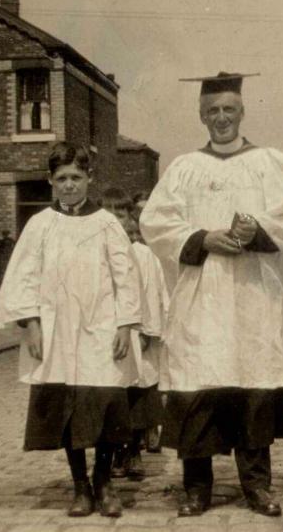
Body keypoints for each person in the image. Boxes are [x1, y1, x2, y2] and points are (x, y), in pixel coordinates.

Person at [140, 71, 283, 518]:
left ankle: (256, 485)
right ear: (202, 115)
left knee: (253, 384)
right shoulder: (185, 169)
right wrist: (201, 238)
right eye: (213, 110)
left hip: (254, 296)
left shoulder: (271, 165)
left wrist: (258, 230)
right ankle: (196, 487)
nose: (221, 118)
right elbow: (155, 223)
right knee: (199, 383)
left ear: (243, 112)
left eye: (229, 110)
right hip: (203, 295)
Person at [0, 142, 141, 518]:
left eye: (76, 177)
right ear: (50, 181)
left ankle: (104, 481)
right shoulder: (40, 225)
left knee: (104, 402)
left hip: (101, 327)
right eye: (62, 179)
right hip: (57, 330)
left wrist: (125, 324)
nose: (69, 185)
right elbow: (24, 277)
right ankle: (80, 486)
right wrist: (33, 324)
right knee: (68, 408)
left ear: (89, 178)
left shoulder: (106, 224)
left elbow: (127, 278)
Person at [102, 186, 166, 481]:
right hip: (104, 333)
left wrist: (146, 330)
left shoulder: (142, 254)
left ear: (131, 218)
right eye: (110, 212)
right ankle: (115, 452)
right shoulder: (95, 251)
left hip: (136, 333)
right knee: (112, 395)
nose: (116, 219)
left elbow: (152, 292)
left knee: (138, 394)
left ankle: (133, 452)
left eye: (122, 213)